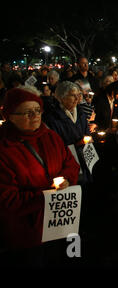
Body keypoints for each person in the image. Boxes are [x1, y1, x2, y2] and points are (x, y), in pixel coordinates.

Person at [0, 87, 79, 267]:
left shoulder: (50, 136)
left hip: (60, 223)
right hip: (28, 233)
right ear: (10, 116)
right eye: (28, 112)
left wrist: (67, 179)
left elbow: (71, 164)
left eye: (37, 110)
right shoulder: (5, 149)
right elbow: (7, 199)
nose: (35, 116)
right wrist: (46, 196)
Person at [42, 81, 93, 185]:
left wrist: (89, 138)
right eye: (72, 95)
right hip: (67, 162)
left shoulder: (80, 113)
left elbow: (87, 132)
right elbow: (54, 144)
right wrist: (75, 144)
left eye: (78, 95)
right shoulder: (52, 118)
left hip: (84, 158)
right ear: (61, 97)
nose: (77, 98)